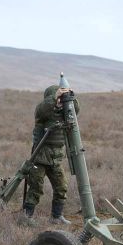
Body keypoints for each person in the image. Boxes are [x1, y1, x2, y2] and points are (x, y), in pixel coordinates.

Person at [21, 85, 79, 225]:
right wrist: (54, 97)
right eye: (58, 97)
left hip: (56, 158)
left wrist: (71, 97)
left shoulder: (63, 112)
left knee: (61, 187)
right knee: (36, 188)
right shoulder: (43, 112)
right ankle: (26, 218)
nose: (60, 100)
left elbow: (75, 111)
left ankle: (56, 217)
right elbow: (42, 109)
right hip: (40, 157)